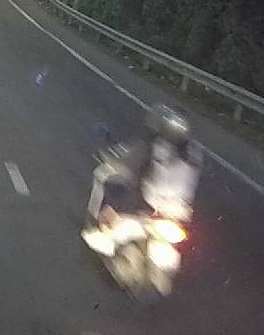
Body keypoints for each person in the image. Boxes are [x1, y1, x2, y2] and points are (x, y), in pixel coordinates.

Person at [81, 104, 204, 253]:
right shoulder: (194, 152)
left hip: (149, 206)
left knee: (104, 180)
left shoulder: (152, 147)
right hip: (179, 212)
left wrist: (108, 157)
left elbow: (125, 159)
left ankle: (98, 231)